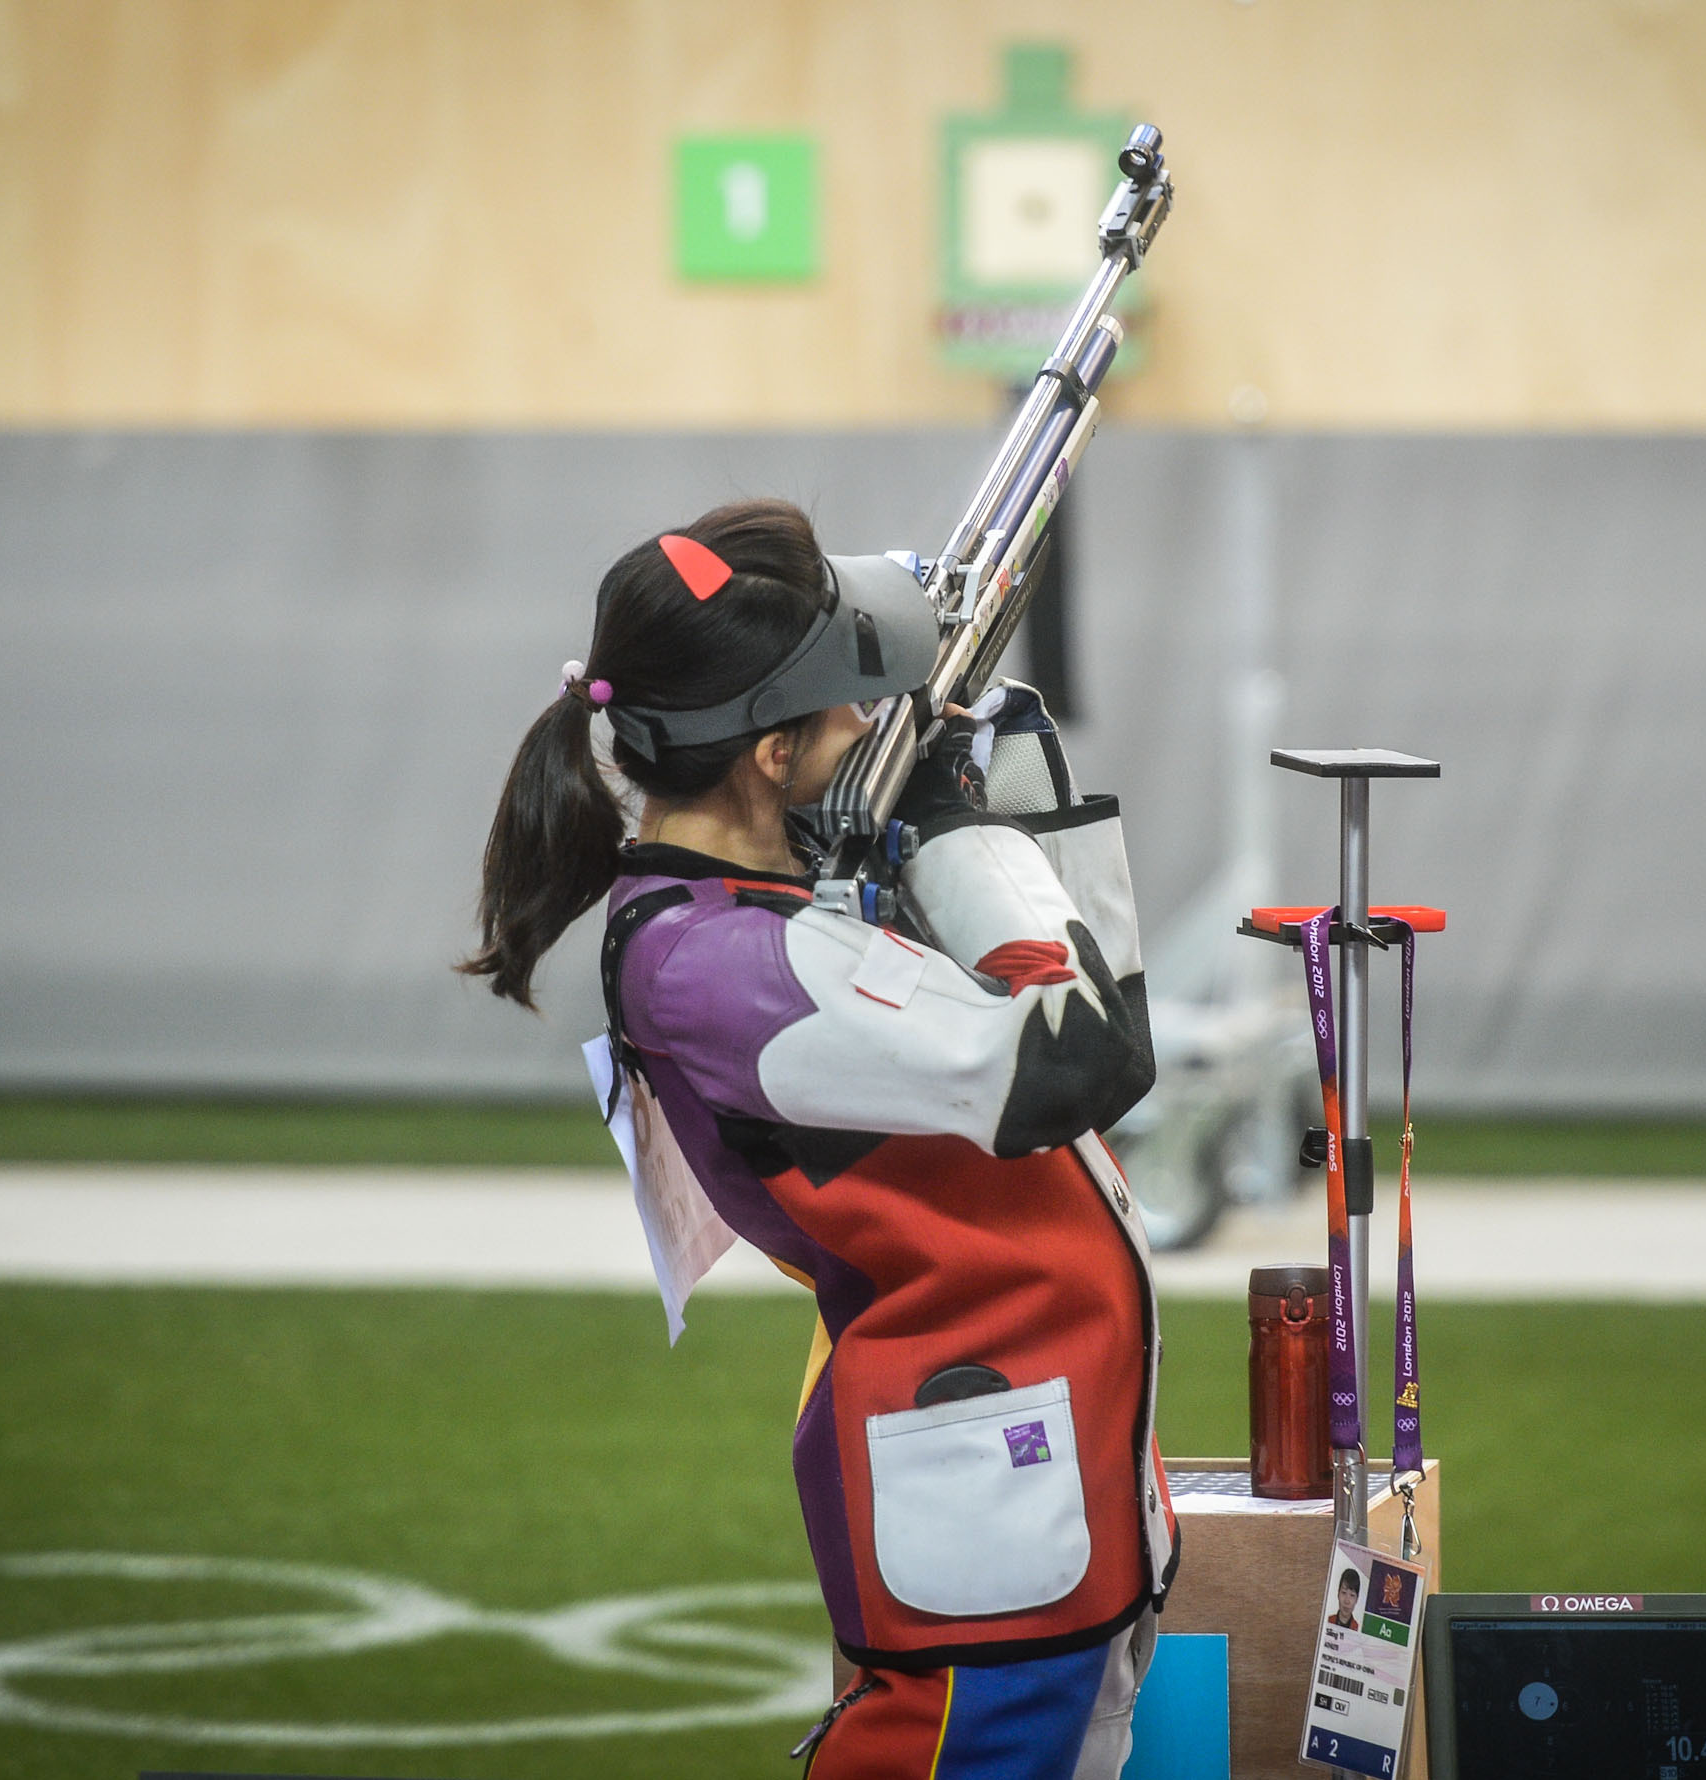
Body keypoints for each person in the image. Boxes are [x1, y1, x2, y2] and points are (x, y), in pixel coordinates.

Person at [464, 499, 1177, 1779]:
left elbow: (1091, 1035)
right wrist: (963, 818)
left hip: (1035, 1484)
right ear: (774, 754)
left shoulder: (776, 891)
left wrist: (971, 807)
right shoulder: (721, 963)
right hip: (990, 1513)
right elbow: (1080, 1053)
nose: (874, 723)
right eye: (849, 707)